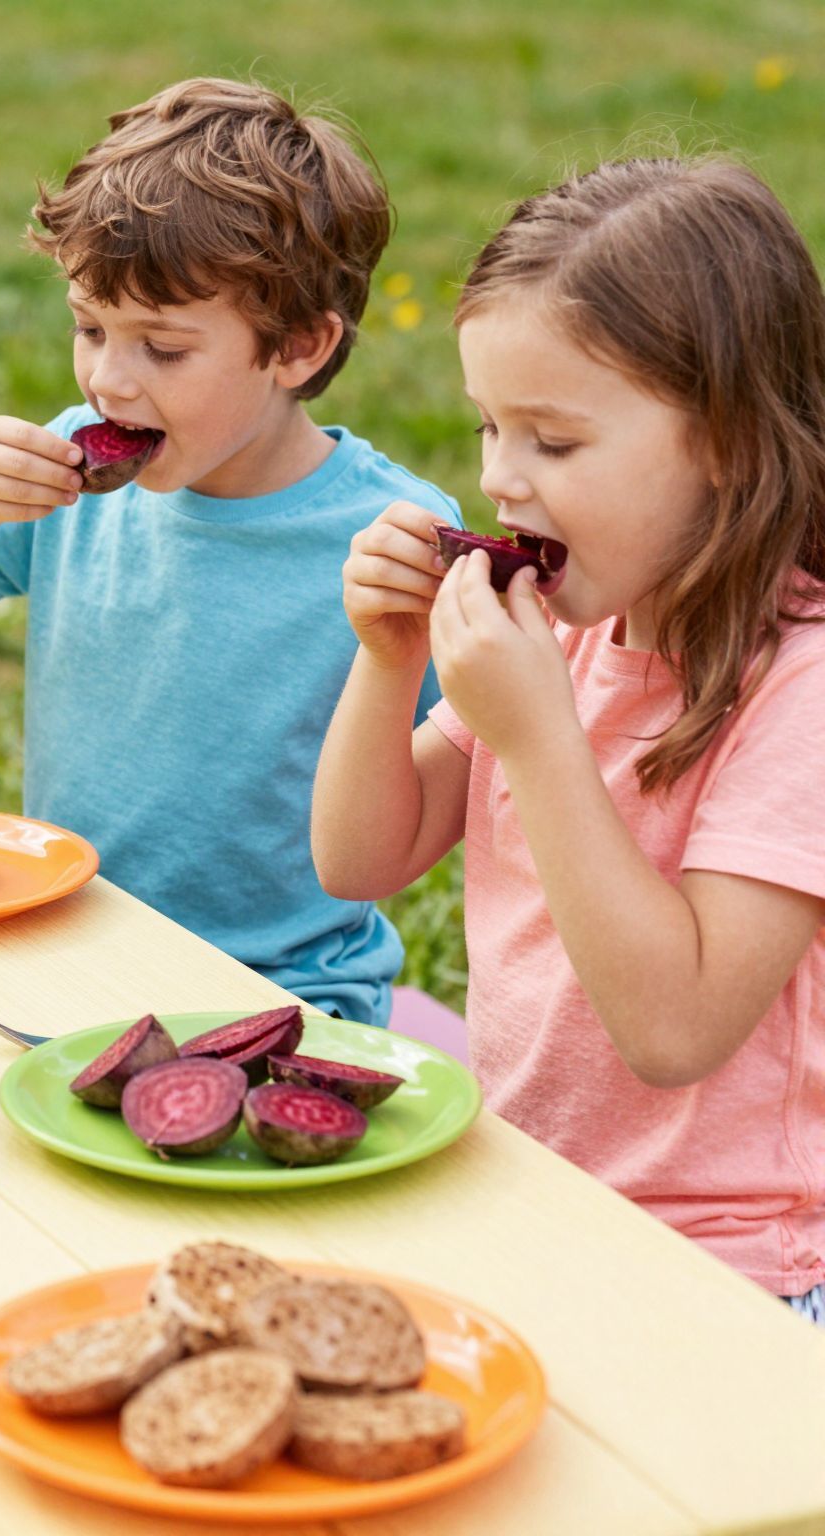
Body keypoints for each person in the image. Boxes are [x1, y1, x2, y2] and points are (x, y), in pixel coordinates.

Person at [0, 78, 458, 1025]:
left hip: (286, 994)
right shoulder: (68, 478)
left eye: (164, 347)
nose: (111, 379)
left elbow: (464, 790)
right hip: (67, 950)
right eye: (90, 328)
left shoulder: (394, 538)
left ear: (301, 347)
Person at [312, 157, 825, 1321]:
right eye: (489, 427)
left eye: (552, 440)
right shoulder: (574, 638)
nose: (497, 479)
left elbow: (672, 1029)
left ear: (728, 442)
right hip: (541, 1202)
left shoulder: (800, 688)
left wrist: (538, 739)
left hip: (731, 1276)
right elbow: (357, 861)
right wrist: (385, 654)